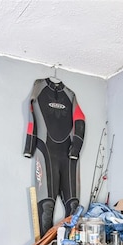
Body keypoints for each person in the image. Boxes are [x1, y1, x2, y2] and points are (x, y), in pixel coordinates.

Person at [24, 78, 86, 236]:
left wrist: (76, 147)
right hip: (45, 152)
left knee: (73, 206)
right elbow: (31, 113)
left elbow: (80, 119)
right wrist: (29, 145)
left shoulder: (70, 94)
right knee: (46, 208)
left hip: (69, 156)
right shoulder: (39, 87)